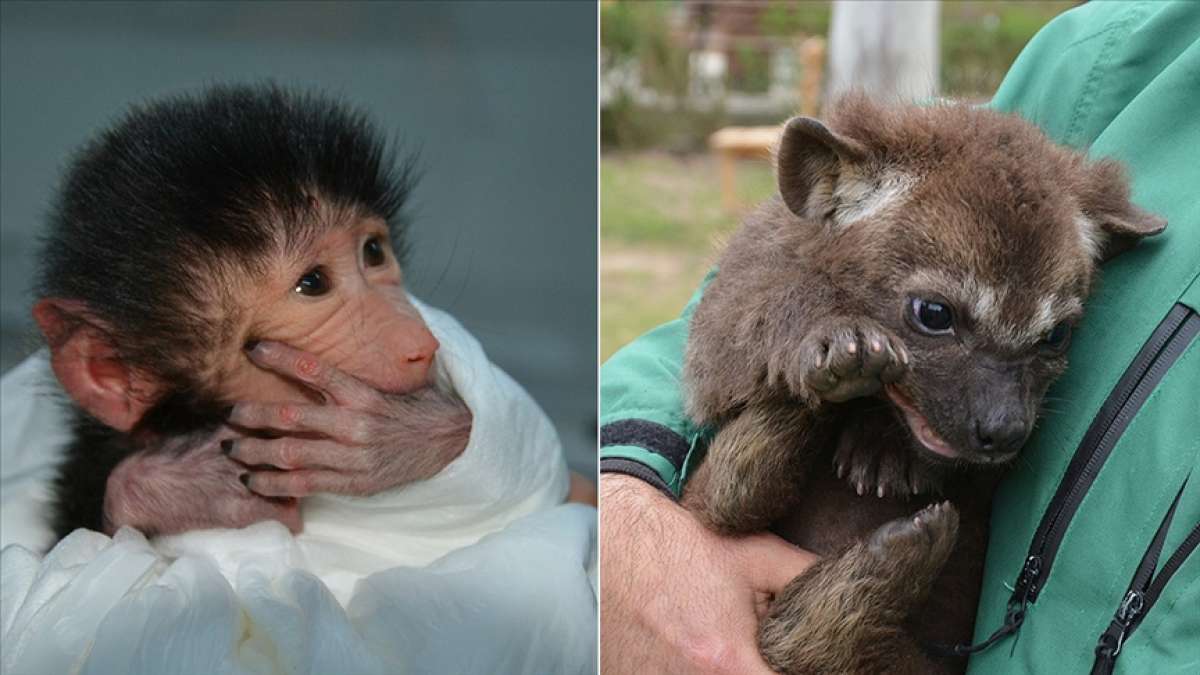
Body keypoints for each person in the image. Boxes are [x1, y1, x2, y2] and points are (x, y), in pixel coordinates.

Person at [600, 2, 1200, 673]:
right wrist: (626, 500)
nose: (1004, 419)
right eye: (936, 318)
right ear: (822, 184)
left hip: (911, 636)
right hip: (755, 557)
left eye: (1051, 339)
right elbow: (705, 347)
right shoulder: (1117, 55)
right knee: (767, 432)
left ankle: (848, 606)